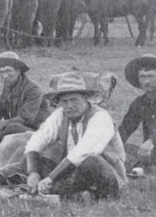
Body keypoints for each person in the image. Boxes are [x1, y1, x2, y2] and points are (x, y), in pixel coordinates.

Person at [25, 72, 127, 201]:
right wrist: (33, 173)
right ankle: (75, 195)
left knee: (91, 161)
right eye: (65, 101)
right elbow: (37, 140)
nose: (69, 106)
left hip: (106, 174)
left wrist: (51, 177)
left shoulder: (100, 117)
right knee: (34, 160)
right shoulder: (60, 115)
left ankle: (62, 193)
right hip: (74, 173)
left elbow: (84, 152)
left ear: (85, 98)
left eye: (74, 100)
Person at [0, 52, 49, 146]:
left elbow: (26, 119)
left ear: (18, 71)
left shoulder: (33, 89)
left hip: (36, 130)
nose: (5, 76)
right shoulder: (8, 87)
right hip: (16, 125)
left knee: (13, 127)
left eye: (8, 71)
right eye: (2, 72)